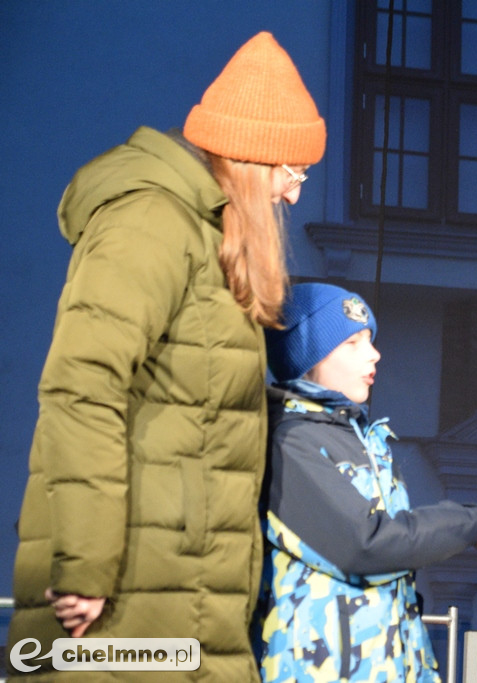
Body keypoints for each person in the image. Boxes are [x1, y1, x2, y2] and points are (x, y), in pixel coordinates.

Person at [6, 32, 326, 680]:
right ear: (252, 157)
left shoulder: (208, 238)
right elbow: (81, 386)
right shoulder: (150, 220)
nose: (294, 193)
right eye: (292, 170)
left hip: (190, 594)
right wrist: (86, 563)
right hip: (119, 603)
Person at [257, 282, 477, 682]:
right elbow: (368, 545)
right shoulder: (291, 440)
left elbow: (392, 585)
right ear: (309, 356)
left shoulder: (360, 438)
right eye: (353, 342)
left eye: (370, 340)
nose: (374, 354)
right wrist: (476, 521)